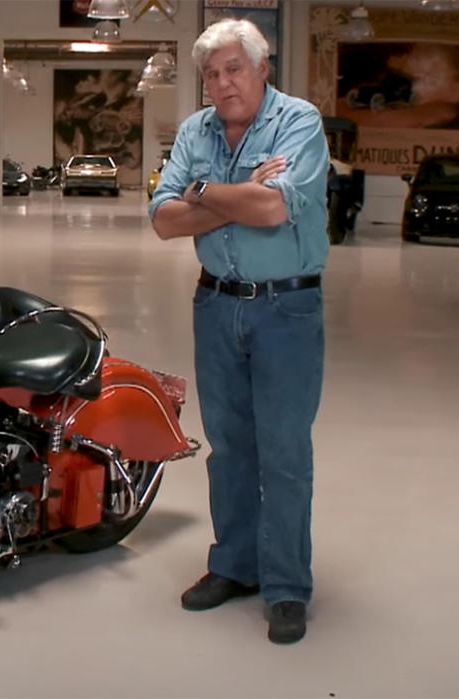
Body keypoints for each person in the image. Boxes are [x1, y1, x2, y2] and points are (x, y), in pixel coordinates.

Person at [148, 18, 329, 645]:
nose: (223, 83)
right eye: (212, 74)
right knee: (228, 447)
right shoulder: (196, 131)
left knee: (283, 452)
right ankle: (234, 565)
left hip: (286, 310)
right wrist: (228, 192)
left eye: (234, 68)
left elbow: (275, 207)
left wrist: (202, 194)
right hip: (216, 306)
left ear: (262, 66)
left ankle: (285, 587)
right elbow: (164, 222)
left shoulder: (298, 122)